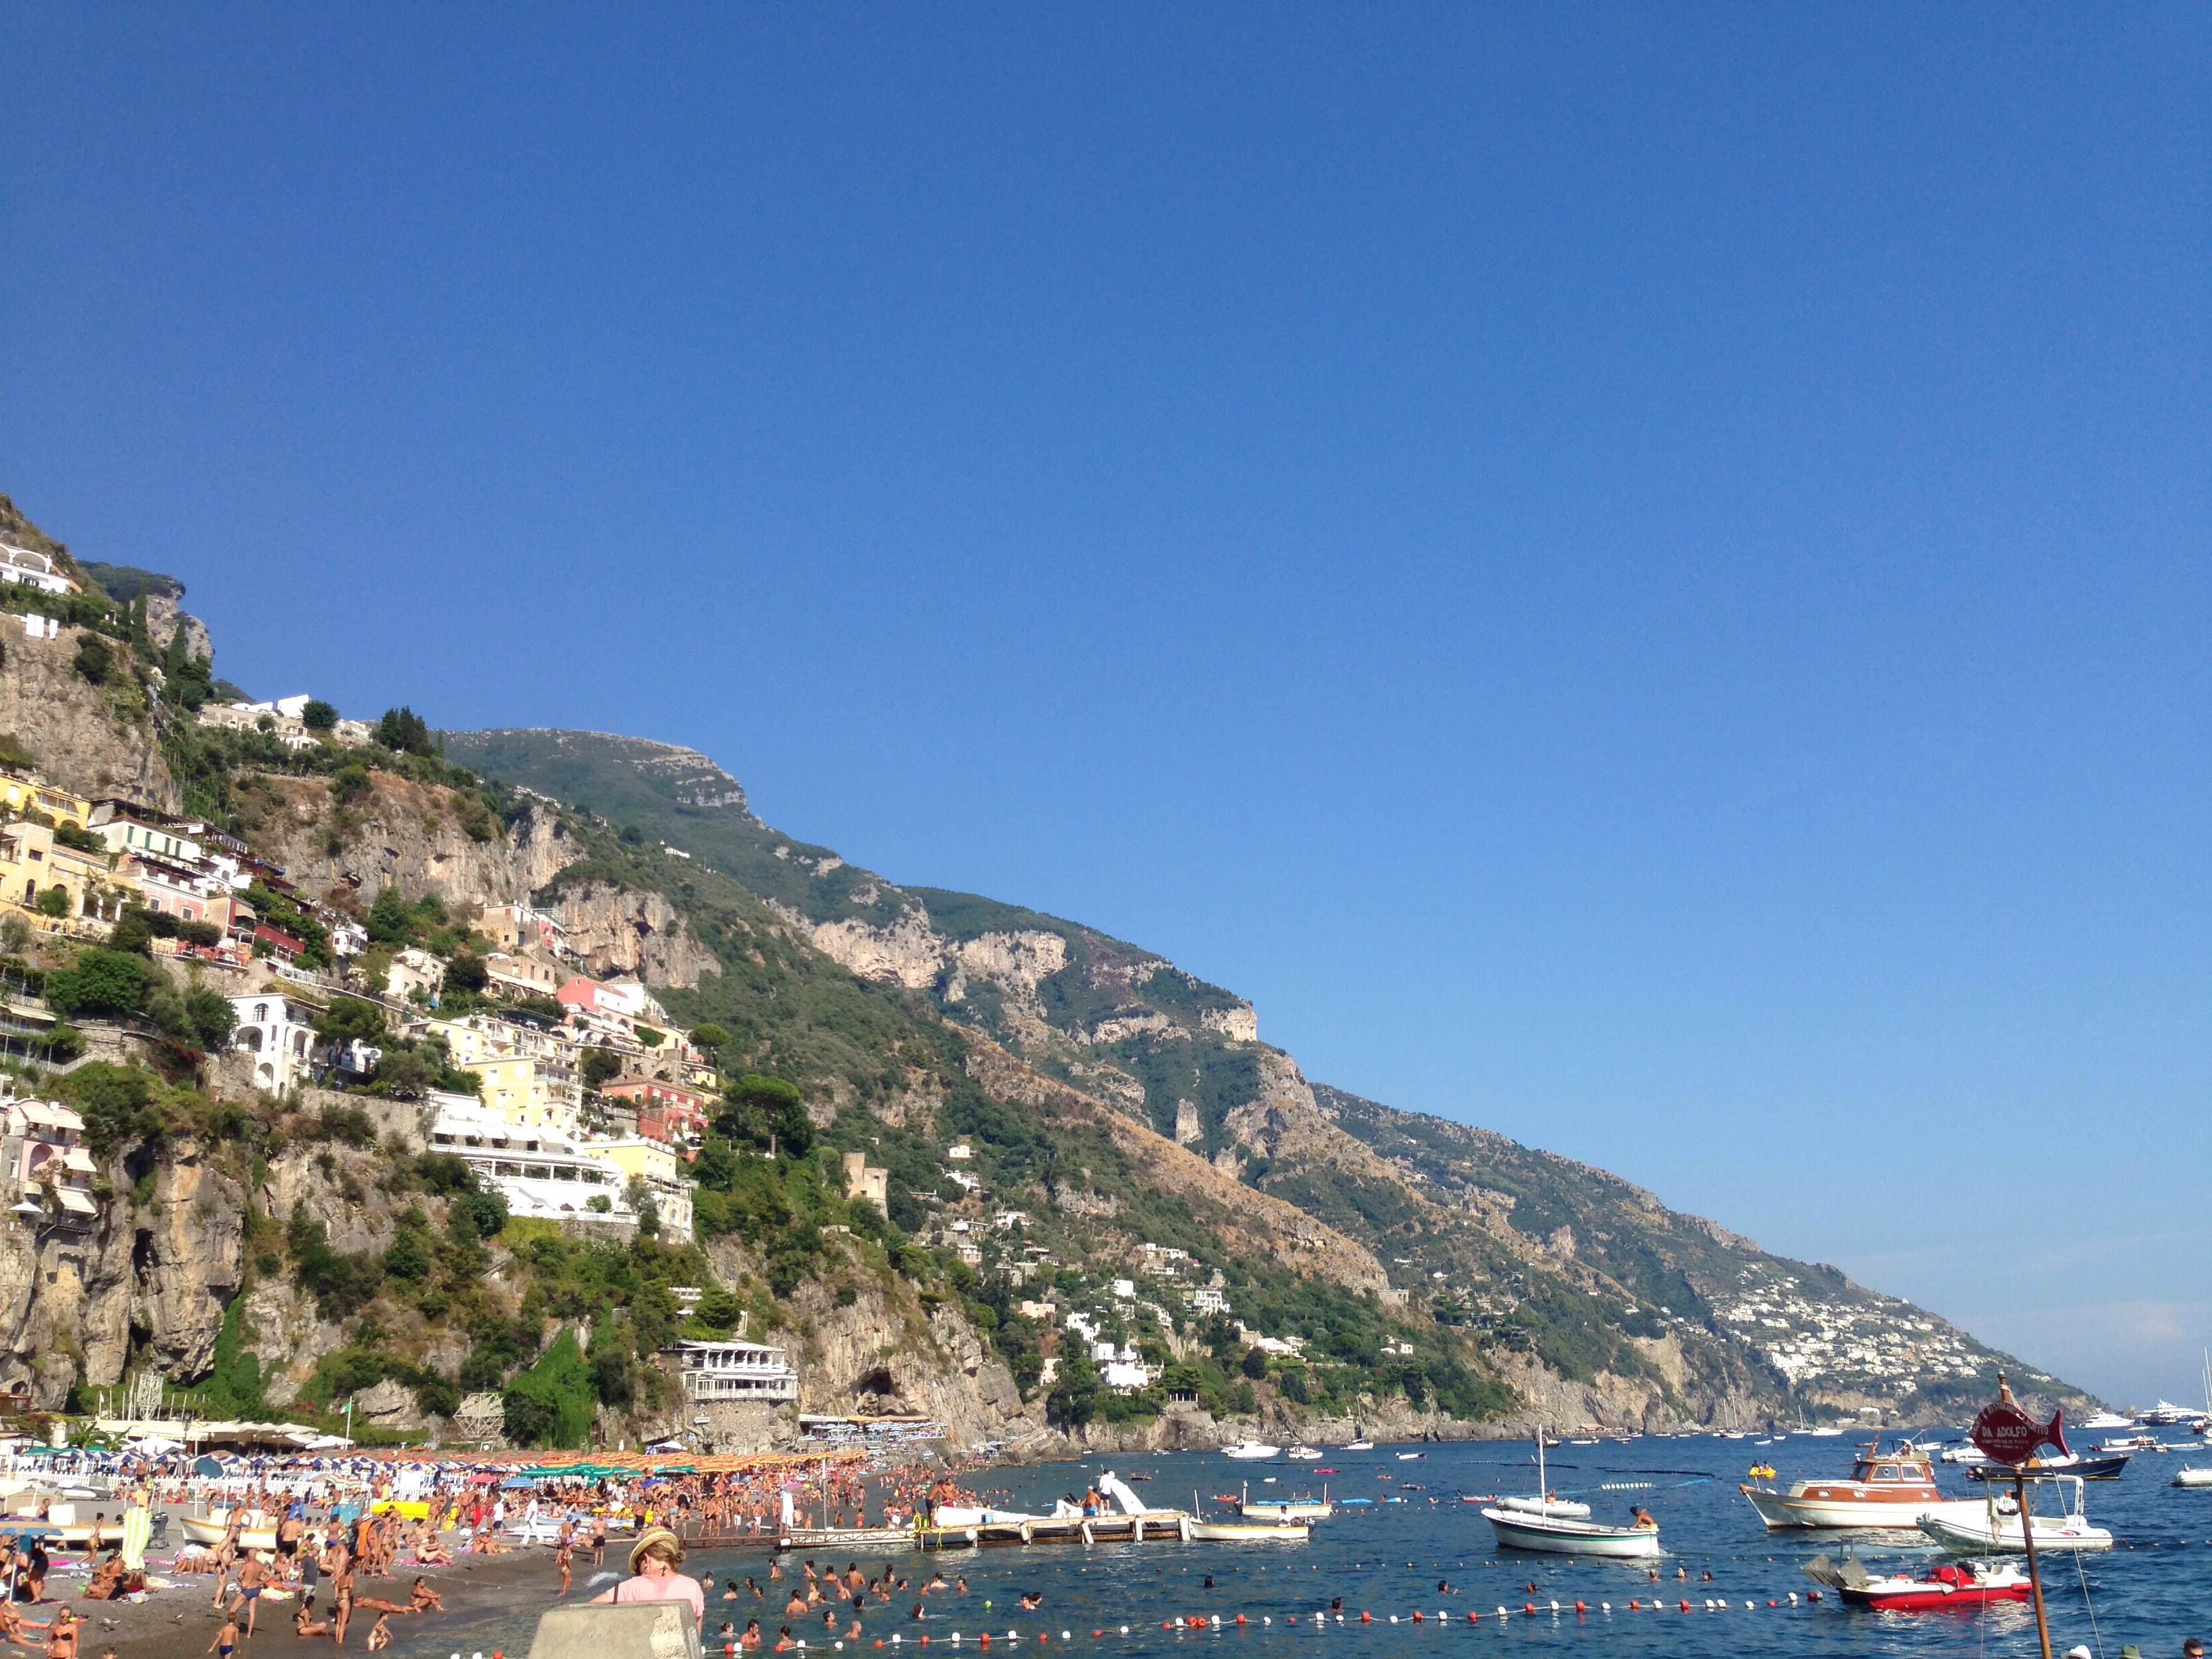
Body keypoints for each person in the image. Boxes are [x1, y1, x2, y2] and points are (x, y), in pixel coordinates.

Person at [590, 1529, 705, 1632]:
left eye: (638, 1563)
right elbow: (696, 1637)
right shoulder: (692, 1587)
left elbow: (586, 1610)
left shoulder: (629, 1588)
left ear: (646, 1560)